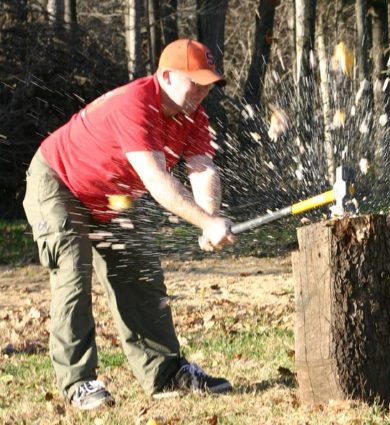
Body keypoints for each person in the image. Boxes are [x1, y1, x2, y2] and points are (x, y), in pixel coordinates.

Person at [22, 39, 237, 410]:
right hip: (58, 182)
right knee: (74, 271)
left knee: (140, 272)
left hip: (114, 196)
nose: (203, 91)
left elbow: (202, 169)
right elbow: (156, 182)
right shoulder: (136, 103)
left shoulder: (194, 116)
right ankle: (79, 383)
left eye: (208, 83)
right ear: (167, 76)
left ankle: (166, 373)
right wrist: (204, 221)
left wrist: (210, 219)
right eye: (195, 81)